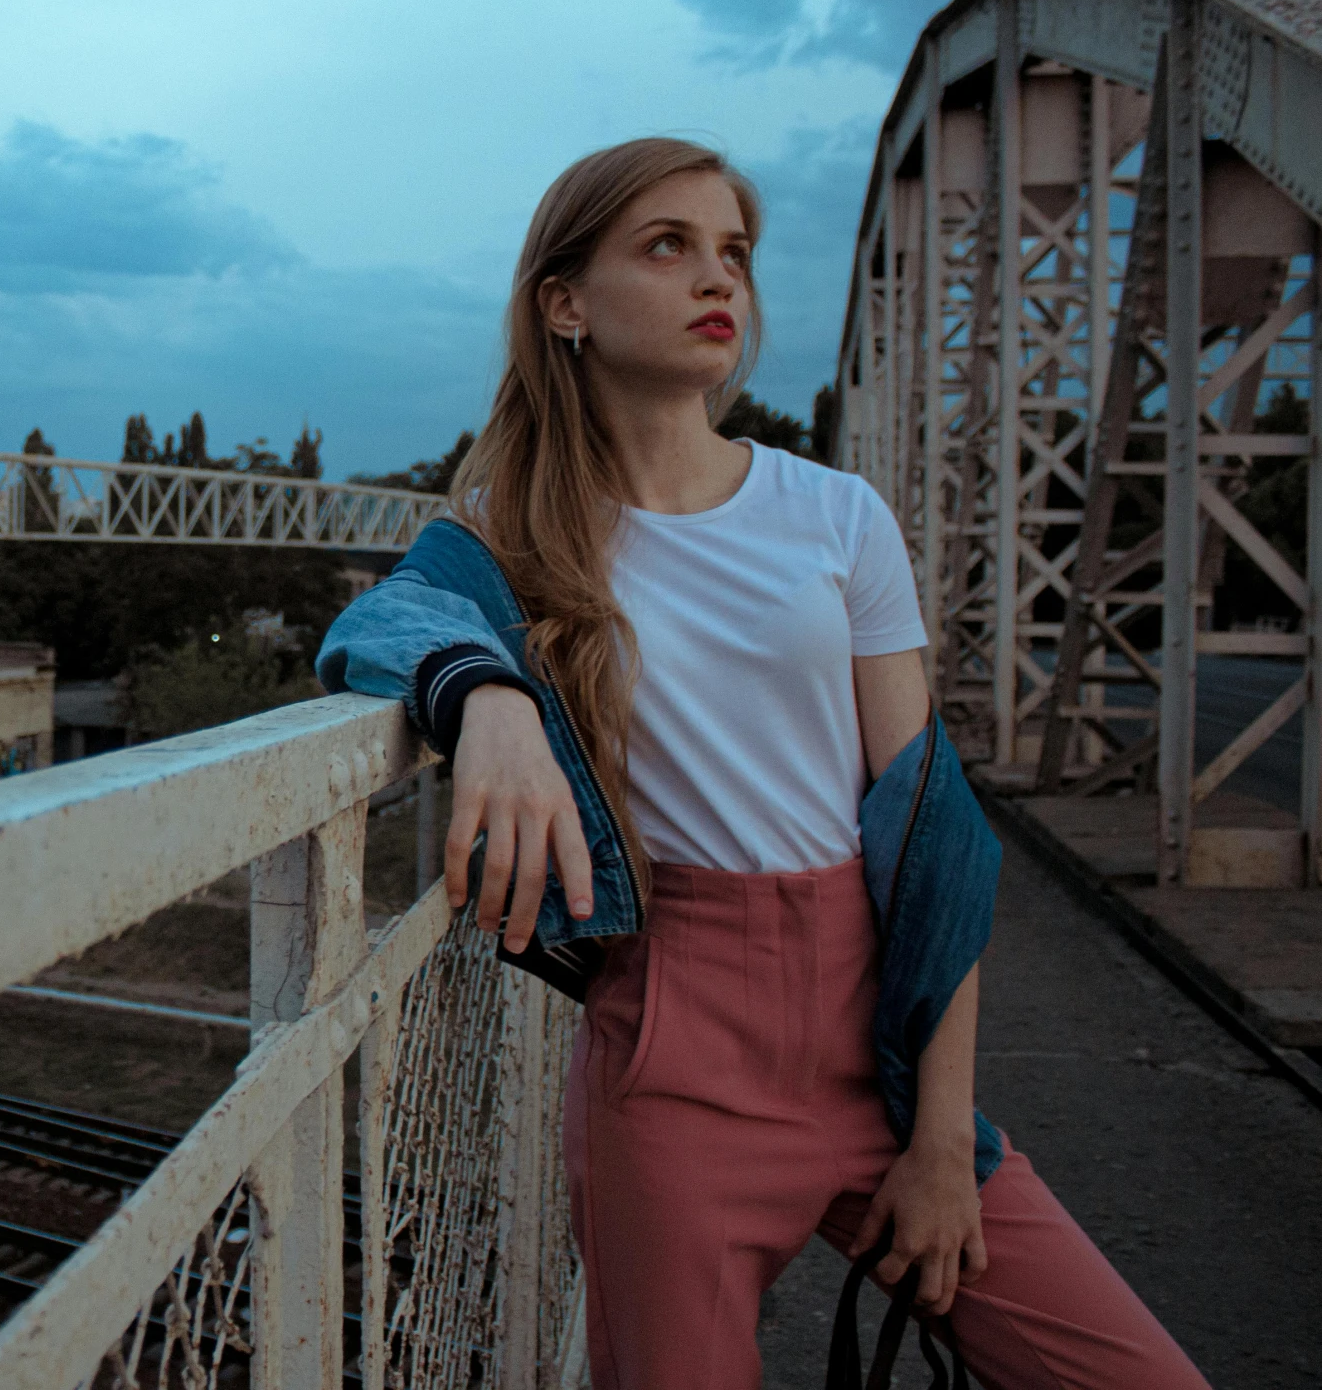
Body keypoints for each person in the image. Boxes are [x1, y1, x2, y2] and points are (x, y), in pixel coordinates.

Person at [316, 138, 1206, 1389]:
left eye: (730, 250)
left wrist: (943, 1140)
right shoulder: (510, 536)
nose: (714, 277)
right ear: (563, 304)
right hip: (672, 1068)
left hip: (875, 1053)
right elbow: (385, 624)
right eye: (665, 246)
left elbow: (930, 832)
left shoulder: (835, 515)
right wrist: (494, 700)